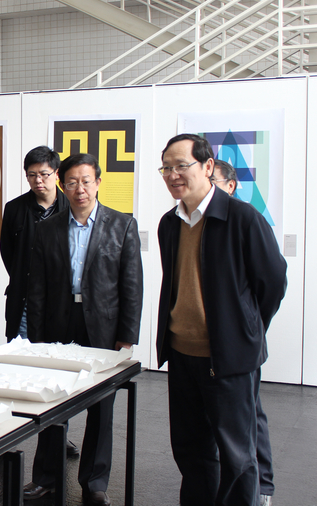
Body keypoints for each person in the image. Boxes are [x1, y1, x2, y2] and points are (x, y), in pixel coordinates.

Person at [157, 134, 286, 506]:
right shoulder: (170, 223)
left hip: (228, 359)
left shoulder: (243, 218)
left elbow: (273, 282)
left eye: (182, 166)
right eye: (166, 168)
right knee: (191, 451)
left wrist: (244, 328)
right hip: (182, 355)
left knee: (237, 456)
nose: (173, 175)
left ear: (208, 166)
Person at [26, 153, 143, 506]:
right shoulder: (47, 228)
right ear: (63, 185)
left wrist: (127, 337)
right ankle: (46, 477)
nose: (80, 189)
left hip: (103, 328)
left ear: (98, 183)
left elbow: (132, 285)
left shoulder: (122, 224)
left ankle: (95, 482)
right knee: (50, 404)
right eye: (72, 182)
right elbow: (37, 288)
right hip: (58, 325)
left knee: (102, 409)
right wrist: (36, 338)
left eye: (86, 181)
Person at [210, 155, 274, 504]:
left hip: (240, 345)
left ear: (230, 186)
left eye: (213, 182)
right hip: (207, 348)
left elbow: (272, 281)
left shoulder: (245, 218)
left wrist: (249, 323)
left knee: (250, 418)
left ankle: (263, 487)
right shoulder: (190, 222)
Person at [0, 145, 69, 341]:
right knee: (23, 352)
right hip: (25, 298)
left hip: (62, 300)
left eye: (44, 174)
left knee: (59, 353)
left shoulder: (70, 209)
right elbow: (7, 251)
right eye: (32, 175)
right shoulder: (14, 208)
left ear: (56, 174)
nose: (38, 180)